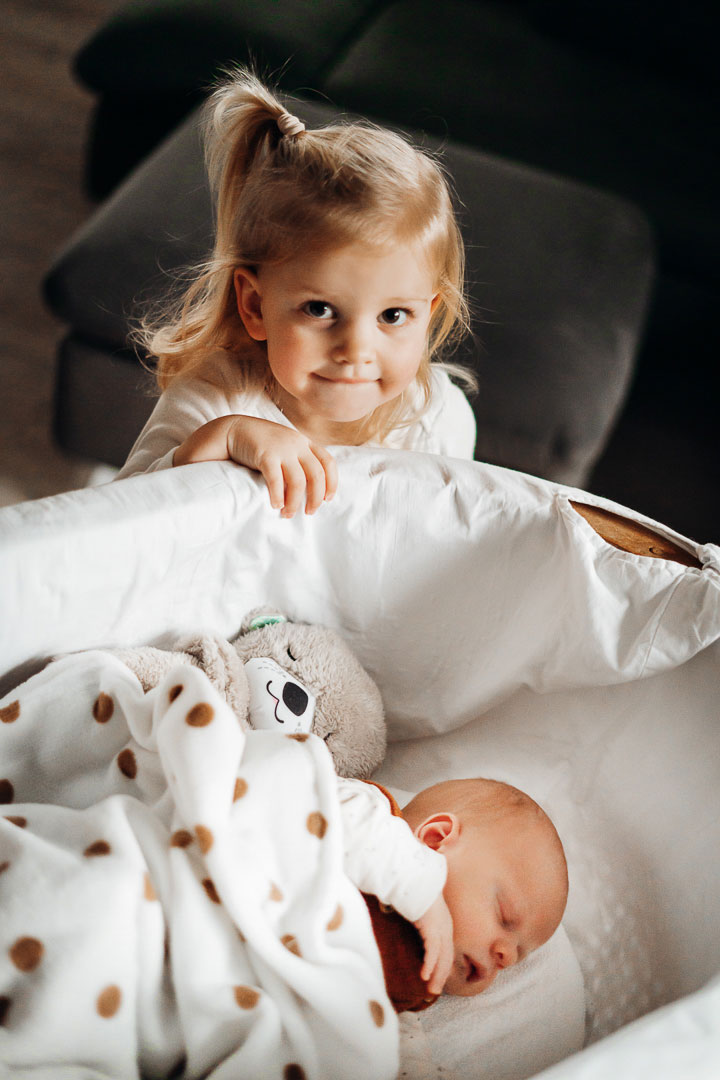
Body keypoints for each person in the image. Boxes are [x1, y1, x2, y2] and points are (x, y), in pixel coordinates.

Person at [116, 68, 477, 515]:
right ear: (254, 305)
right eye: (320, 309)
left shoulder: (438, 417)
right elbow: (117, 524)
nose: (355, 350)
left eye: (393, 315)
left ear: (429, 313)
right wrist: (220, 440)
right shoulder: (215, 399)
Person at [338, 776, 569, 1000]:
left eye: (518, 955)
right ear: (435, 839)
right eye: (504, 916)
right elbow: (323, 801)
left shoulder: (408, 986)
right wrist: (422, 890)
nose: (506, 957)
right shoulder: (365, 811)